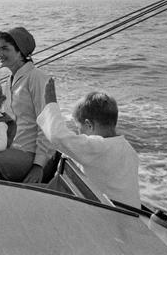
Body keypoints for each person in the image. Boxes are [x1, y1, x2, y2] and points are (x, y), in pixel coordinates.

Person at [37, 78, 141, 208]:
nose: (79, 134)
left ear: (89, 125)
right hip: (130, 214)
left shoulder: (97, 147)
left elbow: (57, 136)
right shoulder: (127, 148)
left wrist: (50, 103)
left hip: (109, 216)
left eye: (79, 128)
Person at [0, 27, 52, 185]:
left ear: (20, 51)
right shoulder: (11, 79)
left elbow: (48, 126)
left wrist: (38, 165)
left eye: (5, 48)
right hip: (10, 145)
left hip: (29, 152)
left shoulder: (37, 78)